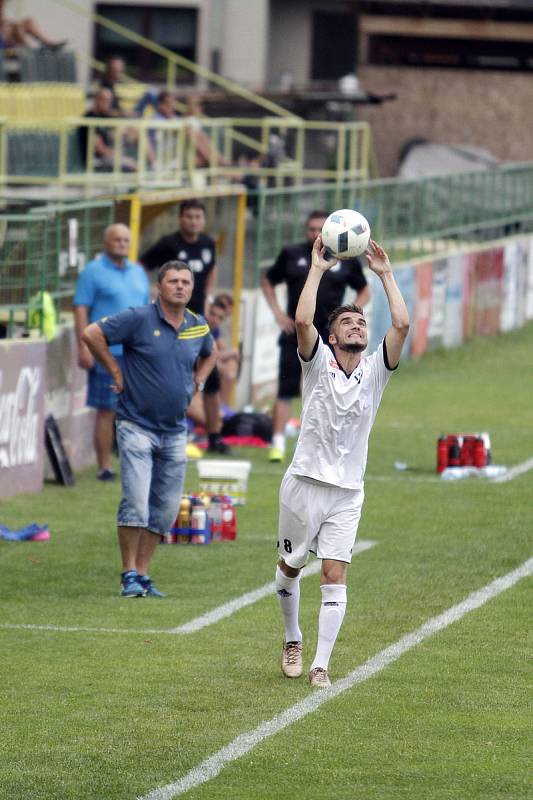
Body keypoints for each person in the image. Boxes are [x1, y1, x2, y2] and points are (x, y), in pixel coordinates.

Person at [275, 236, 409, 687]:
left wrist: (385, 276)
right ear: (333, 337)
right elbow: (300, 320)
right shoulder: (317, 365)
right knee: (290, 568)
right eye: (348, 322)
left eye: (361, 322)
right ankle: (292, 637)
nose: (357, 326)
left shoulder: (376, 372)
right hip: (304, 484)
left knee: (334, 575)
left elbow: (402, 325)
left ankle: (320, 664)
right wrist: (316, 270)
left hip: (348, 492)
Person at [81, 261, 217, 598]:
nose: (181, 287)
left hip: (174, 431)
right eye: (173, 281)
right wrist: (114, 370)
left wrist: (199, 380)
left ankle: (142, 573)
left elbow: (211, 354)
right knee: (137, 505)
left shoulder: (197, 325)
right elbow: (91, 333)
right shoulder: (138, 318)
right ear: (160, 287)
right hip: (135, 425)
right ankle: (127, 572)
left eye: (186, 281)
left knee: (166, 510)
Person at [261, 210, 370, 463]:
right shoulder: (292, 254)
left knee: (330, 392)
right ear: (305, 230)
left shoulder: (345, 258)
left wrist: (349, 315)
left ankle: (327, 442)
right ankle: (277, 443)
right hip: (297, 333)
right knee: (285, 389)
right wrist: (278, 313)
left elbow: (364, 289)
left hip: (333, 340)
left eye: (321, 229)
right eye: (311, 229)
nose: (315, 234)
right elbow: (268, 281)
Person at [73, 223, 150, 481]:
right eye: (116, 240)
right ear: (106, 243)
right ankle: (104, 466)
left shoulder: (138, 272)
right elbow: (81, 308)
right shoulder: (92, 272)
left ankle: (134, 462)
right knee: (106, 409)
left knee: (136, 410)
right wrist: (83, 345)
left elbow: (147, 311)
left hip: (136, 352)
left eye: (126, 240)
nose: (122, 244)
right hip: (105, 350)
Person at [77, 87, 138, 173]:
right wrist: (118, 155)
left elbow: (119, 122)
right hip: (96, 161)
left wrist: (122, 130)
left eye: (109, 101)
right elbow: (100, 149)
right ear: (96, 100)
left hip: (107, 157)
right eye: (104, 100)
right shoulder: (89, 118)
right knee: (134, 165)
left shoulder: (104, 116)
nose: (107, 104)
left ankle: (153, 164)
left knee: (133, 131)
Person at [0, 0, 66, 49]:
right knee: (17, 28)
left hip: (6, 38)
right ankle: (29, 49)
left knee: (28, 22)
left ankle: (48, 44)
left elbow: (5, 23)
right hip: (3, 42)